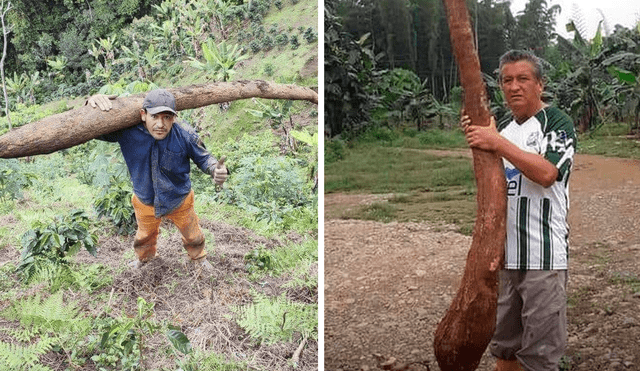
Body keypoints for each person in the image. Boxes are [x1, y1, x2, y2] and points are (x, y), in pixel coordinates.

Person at [461, 50, 576, 371]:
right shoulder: (505, 131)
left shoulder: (556, 122)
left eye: (523, 79)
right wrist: (480, 135)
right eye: (507, 80)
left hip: (544, 257)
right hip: (506, 259)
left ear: (540, 84)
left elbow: (546, 173)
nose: (514, 87)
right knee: (505, 347)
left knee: (540, 353)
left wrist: (496, 142)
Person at [87, 89, 229, 272]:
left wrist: (215, 170)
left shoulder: (185, 134)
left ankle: (199, 258)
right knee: (144, 236)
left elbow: (205, 158)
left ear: (174, 118)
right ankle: (144, 260)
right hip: (144, 198)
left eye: (167, 117)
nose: (161, 124)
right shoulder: (126, 132)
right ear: (143, 115)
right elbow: (92, 129)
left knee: (193, 234)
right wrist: (92, 103)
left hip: (179, 198)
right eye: (155, 116)